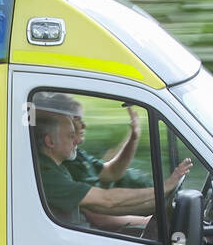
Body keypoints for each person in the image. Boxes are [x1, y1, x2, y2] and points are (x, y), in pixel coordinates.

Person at [32, 92, 191, 231]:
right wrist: (163, 189)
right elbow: (106, 202)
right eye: (70, 135)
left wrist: (160, 201)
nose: (77, 141)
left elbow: (111, 175)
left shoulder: (63, 164)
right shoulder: (47, 174)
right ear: (50, 142)